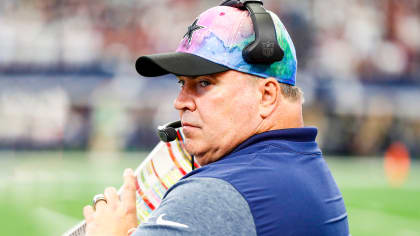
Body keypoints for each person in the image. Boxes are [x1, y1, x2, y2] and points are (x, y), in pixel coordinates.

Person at [83, 1, 350, 235]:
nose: (180, 102)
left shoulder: (213, 193)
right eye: (181, 83)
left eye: (204, 82)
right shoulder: (308, 169)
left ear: (267, 96)